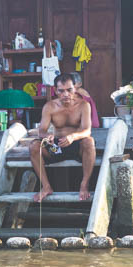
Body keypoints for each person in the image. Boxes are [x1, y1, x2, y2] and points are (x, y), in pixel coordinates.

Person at [30, 73, 95, 202]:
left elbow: (87, 130)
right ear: (55, 91)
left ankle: (84, 184)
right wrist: (47, 136)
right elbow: (41, 130)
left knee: (89, 141)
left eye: (69, 90)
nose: (66, 94)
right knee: (34, 146)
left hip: (76, 146)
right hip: (56, 146)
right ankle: (46, 187)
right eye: (61, 91)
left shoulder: (83, 105)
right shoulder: (49, 106)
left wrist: (73, 136)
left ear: (75, 88)